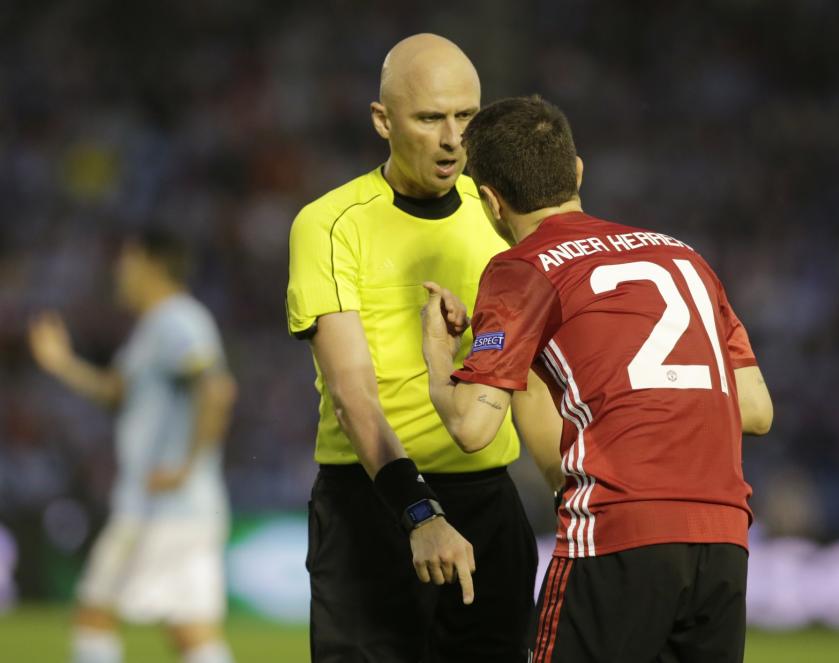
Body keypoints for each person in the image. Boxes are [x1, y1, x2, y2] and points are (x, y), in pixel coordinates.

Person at [420, 96, 774, 663]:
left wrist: (440, 357)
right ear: (577, 171)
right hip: (723, 538)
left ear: (489, 201)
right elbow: (756, 410)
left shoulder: (522, 268)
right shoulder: (683, 257)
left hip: (617, 531)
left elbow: (471, 426)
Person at [285, 34, 536, 663]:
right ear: (383, 120)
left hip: (487, 506)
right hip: (372, 506)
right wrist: (420, 514)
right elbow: (352, 393)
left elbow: (528, 377)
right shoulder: (330, 222)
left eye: (467, 117)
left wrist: (575, 495)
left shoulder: (502, 217)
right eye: (430, 118)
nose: (454, 138)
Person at [27, 229, 237, 663]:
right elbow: (116, 392)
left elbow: (216, 389)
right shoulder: (155, 327)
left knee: (94, 615)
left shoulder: (179, 319)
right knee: (190, 630)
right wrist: (63, 363)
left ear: (150, 264)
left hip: (160, 505)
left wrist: (185, 466)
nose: (118, 274)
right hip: (184, 506)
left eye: (126, 262)